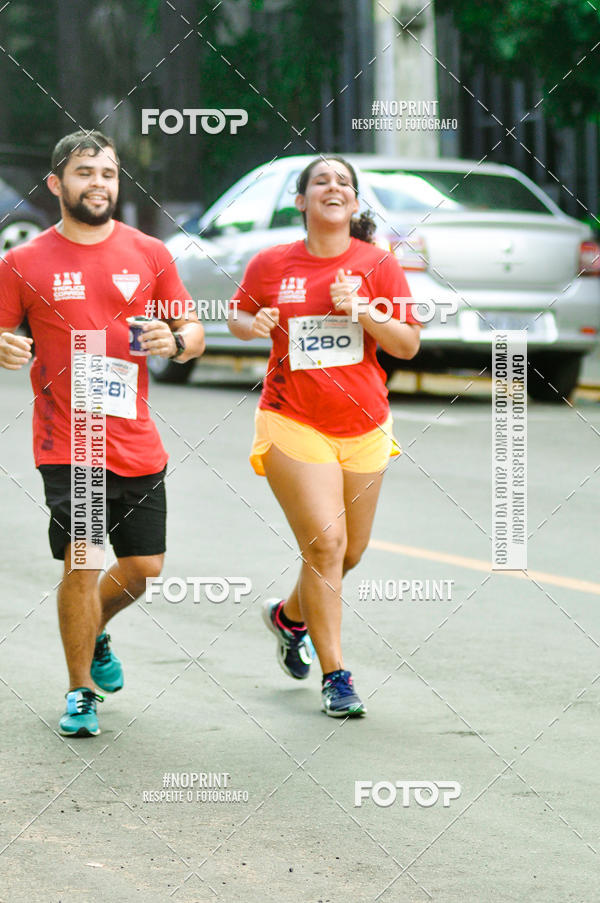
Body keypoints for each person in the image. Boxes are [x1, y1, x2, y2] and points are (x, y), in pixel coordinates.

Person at [0, 130, 205, 737]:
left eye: (109, 173)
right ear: (57, 185)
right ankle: (79, 692)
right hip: (69, 440)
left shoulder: (149, 252)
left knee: (144, 568)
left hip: (137, 439)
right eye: (86, 173)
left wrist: (180, 343)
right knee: (82, 561)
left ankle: (96, 633)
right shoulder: (23, 261)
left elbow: (190, 329)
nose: (99, 184)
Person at [228, 155, 421, 717]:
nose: (333, 187)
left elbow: (407, 344)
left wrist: (362, 309)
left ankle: (289, 619)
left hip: (364, 424)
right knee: (326, 545)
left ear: (354, 204)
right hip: (294, 419)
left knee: (348, 551)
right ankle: (337, 676)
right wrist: (253, 324)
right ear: (302, 201)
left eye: (343, 182)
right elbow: (238, 317)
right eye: (321, 181)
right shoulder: (270, 263)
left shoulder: (378, 265)